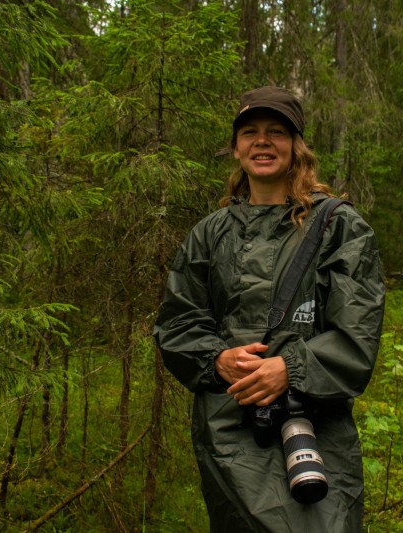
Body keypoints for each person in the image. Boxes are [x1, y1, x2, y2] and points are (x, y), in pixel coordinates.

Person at [153, 86, 385, 532]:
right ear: (237, 147)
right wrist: (216, 358)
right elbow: (178, 322)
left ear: (297, 146)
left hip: (313, 427)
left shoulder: (339, 227)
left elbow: (357, 334)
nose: (263, 141)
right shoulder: (209, 234)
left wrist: (291, 368)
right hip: (228, 427)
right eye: (250, 132)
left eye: (276, 132)